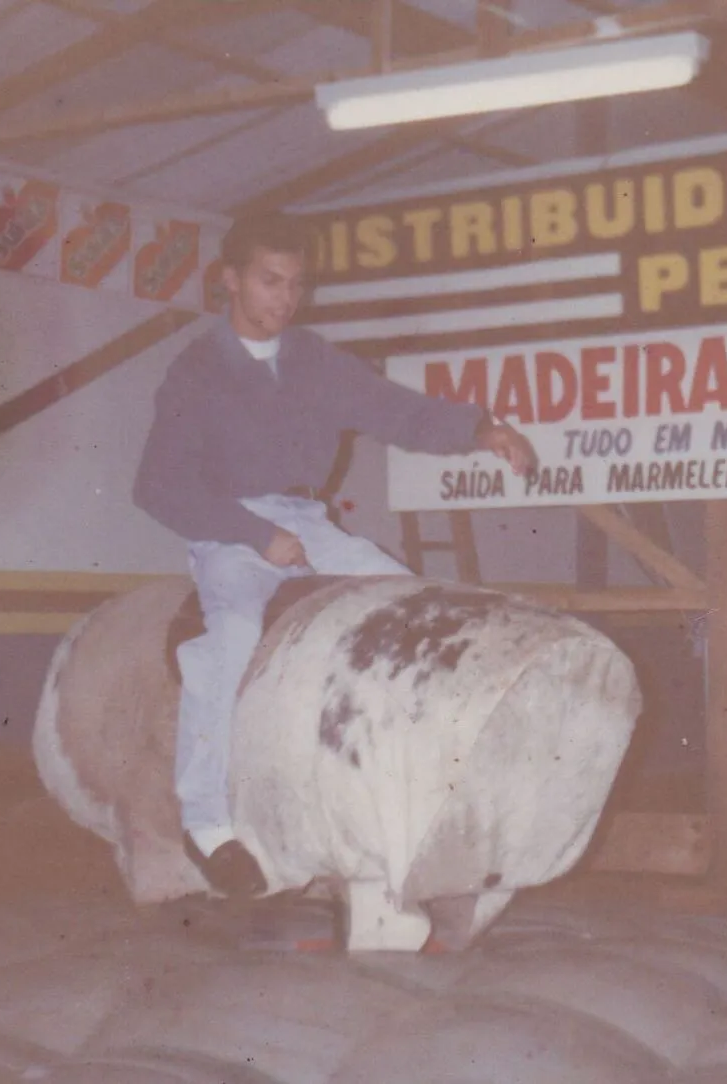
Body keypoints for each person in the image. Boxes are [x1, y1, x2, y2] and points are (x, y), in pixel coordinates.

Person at [131, 211, 537, 899]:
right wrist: (255, 536)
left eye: (294, 285)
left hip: (310, 519)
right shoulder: (196, 371)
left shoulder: (315, 361)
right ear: (229, 281)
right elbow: (157, 486)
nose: (284, 299)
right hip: (232, 528)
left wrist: (479, 428)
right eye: (268, 282)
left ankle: (411, 790)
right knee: (229, 637)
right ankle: (206, 825)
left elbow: (395, 410)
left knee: (413, 603)